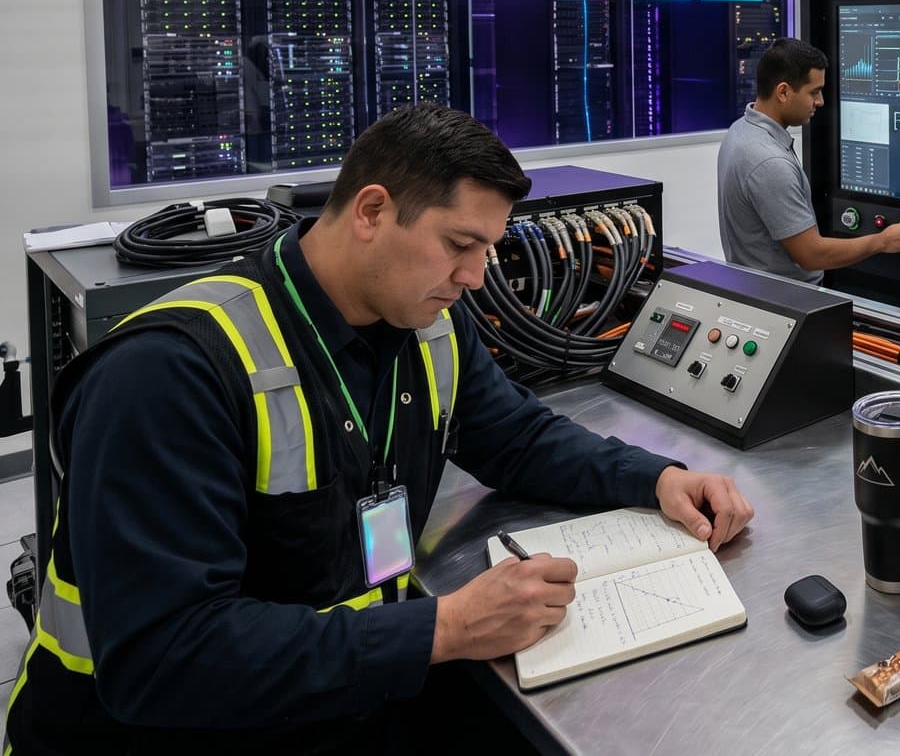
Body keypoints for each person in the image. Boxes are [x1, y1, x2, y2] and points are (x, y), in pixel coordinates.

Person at [6, 104, 754, 753]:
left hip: (339, 709)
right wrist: (448, 626)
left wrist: (656, 477)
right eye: (460, 245)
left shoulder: (429, 323)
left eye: (487, 249)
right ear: (370, 211)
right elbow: (164, 660)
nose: (475, 275)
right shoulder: (170, 375)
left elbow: (516, 436)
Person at [717, 38, 900, 285]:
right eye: (813, 92)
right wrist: (882, 241)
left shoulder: (740, 131)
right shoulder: (769, 162)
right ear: (783, 92)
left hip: (758, 291)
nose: (820, 101)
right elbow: (811, 255)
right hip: (787, 302)